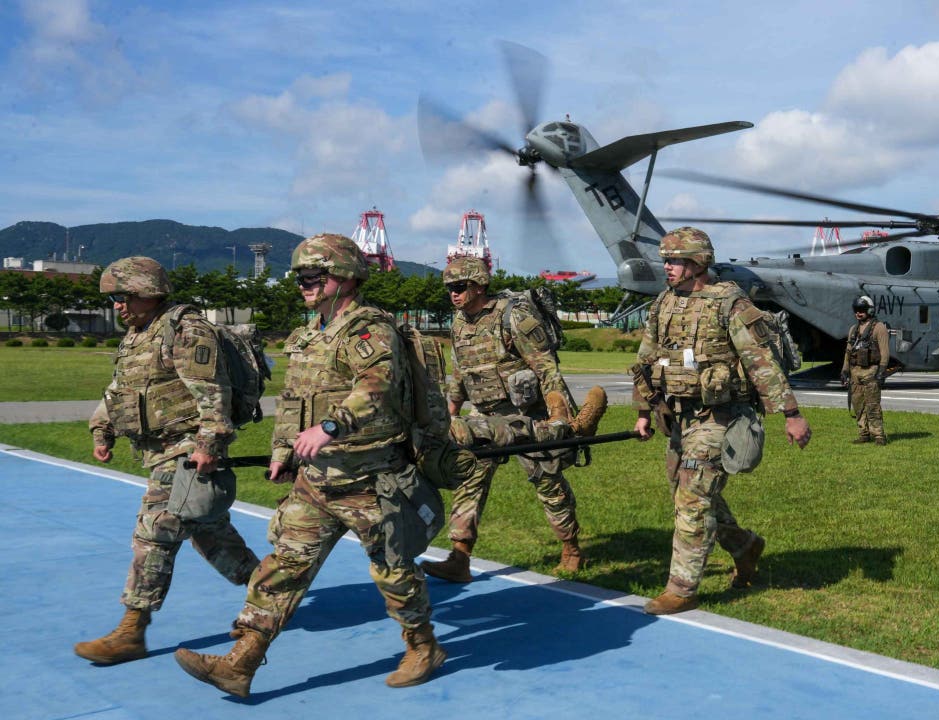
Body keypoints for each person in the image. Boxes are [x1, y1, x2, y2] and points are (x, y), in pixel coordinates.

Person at [174, 234, 444, 696]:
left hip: (370, 478)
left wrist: (332, 427)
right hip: (317, 480)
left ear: (346, 277)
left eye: (314, 276)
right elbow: (294, 401)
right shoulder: (308, 335)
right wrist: (284, 451)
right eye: (300, 277)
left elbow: (376, 389)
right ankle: (241, 662)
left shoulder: (368, 330)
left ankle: (422, 646)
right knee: (284, 565)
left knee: (393, 571)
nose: (304, 284)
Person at [75, 257, 260, 666]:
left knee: (155, 530)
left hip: (186, 450)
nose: (118, 306)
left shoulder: (186, 329)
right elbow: (120, 389)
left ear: (148, 292)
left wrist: (208, 444)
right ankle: (270, 593)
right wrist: (102, 428)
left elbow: (212, 393)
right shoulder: (137, 335)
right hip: (161, 449)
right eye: (114, 298)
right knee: (209, 533)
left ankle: (132, 629)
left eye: (124, 297)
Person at [633, 227, 812, 615]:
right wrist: (644, 411)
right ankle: (744, 546)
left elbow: (760, 361)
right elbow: (646, 358)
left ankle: (682, 589)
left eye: (675, 261)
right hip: (679, 416)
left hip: (721, 417)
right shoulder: (664, 302)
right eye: (666, 261)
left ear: (698, 262)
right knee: (688, 492)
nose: (667, 267)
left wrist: (791, 414)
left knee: (693, 497)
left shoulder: (730, 303)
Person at [422, 255, 607, 583]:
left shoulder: (512, 316)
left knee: (547, 481)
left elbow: (545, 367)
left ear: (480, 286)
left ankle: (572, 550)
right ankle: (459, 558)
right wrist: (451, 414)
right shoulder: (459, 322)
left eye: (460, 286)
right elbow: (459, 373)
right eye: (449, 288)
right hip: (483, 415)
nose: (453, 293)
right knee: (470, 478)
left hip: (525, 415)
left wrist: (558, 416)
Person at [841, 295, 890, 445]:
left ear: (869, 310)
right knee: (858, 405)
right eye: (856, 310)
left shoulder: (879, 328)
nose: (858, 313)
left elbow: (885, 352)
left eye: (861, 310)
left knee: (872, 405)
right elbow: (848, 352)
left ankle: (879, 436)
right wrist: (845, 370)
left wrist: (881, 372)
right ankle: (864, 434)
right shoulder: (853, 330)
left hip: (871, 372)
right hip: (855, 372)